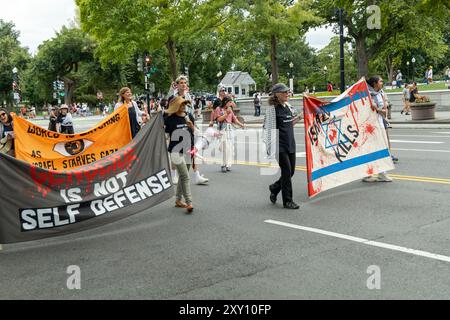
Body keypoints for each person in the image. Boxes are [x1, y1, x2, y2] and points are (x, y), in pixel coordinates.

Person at [263, 83, 301, 210]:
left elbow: (290, 123)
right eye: (284, 92)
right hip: (279, 145)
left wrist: (300, 117)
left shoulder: (288, 107)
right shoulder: (272, 110)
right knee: (286, 171)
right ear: (276, 94)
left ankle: (274, 187)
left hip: (290, 142)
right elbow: (267, 129)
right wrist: (270, 148)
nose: (287, 94)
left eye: (287, 92)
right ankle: (288, 201)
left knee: (291, 172)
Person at [168, 75, 208, 185]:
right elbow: (168, 110)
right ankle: (173, 174)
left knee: (192, 150)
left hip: (188, 123)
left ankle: (197, 175)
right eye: (181, 82)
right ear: (177, 84)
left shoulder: (188, 96)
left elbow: (191, 109)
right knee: (175, 150)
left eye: (185, 83)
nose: (184, 84)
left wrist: (193, 122)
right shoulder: (173, 96)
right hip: (176, 124)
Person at [164, 96, 195, 213]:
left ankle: (178, 200)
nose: (183, 106)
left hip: (188, 150)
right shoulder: (170, 119)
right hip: (175, 151)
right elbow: (166, 135)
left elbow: (194, 132)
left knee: (183, 176)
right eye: (181, 104)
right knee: (186, 177)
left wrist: (191, 126)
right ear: (176, 106)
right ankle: (189, 202)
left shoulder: (188, 116)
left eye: (185, 104)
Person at [363, 76, 395, 183]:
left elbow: (384, 110)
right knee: (373, 149)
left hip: (380, 124)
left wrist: (381, 108)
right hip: (372, 126)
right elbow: (372, 109)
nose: (382, 82)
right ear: (375, 83)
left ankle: (381, 173)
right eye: (380, 81)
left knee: (382, 149)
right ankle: (371, 173)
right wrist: (379, 109)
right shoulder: (368, 95)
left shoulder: (380, 93)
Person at [213, 96, 245, 172]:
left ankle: (228, 165)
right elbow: (219, 119)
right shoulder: (219, 109)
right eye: (229, 102)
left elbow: (234, 119)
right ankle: (223, 165)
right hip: (222, 129)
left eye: (231, 102)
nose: (231, 104)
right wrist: (226, 113)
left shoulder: (230, 110)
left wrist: (241, 124)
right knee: (224, 148)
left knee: (230, 148)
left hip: (230, 130)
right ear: (225, 102)